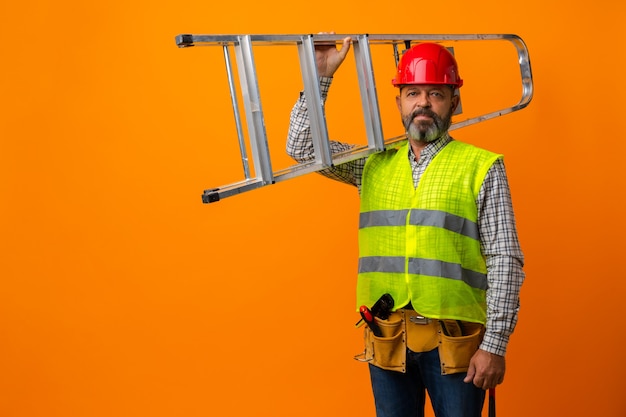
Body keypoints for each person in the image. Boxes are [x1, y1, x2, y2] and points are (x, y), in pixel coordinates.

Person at [286, 35, 525, 417]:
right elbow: (302, 148)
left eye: (436, 93)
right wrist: (320, 77)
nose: (423, 103)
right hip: (387, 338)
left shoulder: (481, 167)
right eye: (413, 92)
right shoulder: (374, 164)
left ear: (454, 102)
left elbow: (505, 259)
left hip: (456, 343)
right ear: (399, 102)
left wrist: (494, 344)